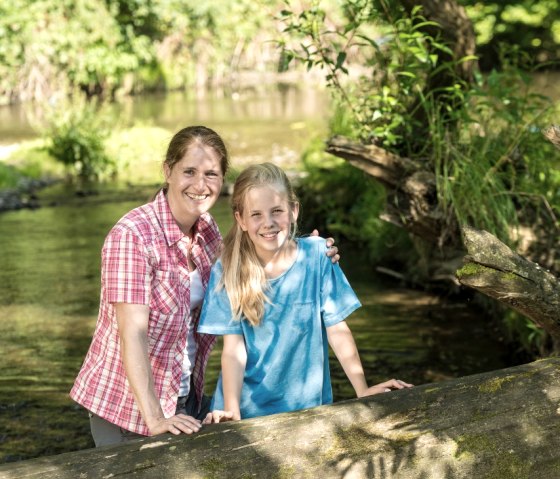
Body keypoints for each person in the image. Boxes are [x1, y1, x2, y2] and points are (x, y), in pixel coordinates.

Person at [70, 126, 340, 446]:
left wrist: (303, 252)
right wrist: (155, 418)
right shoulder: (133, 236)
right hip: (128, 409)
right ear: (168, 171)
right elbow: (132, 333)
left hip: (184, 401)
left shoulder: (206, 228)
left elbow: (248, 262)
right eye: (189, 171)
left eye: (211, 174)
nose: (200, 185)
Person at [198, 163, 413, 422]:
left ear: (294, 211)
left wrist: (362, 390)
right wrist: (232, 410)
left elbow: (337, 329)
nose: (268, 223)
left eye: (277, 211)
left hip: (308, 410)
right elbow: (233, 350)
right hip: (246, 412)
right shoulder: (228, 270)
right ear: (241, 220)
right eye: (256, 215)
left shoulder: (318, 257)